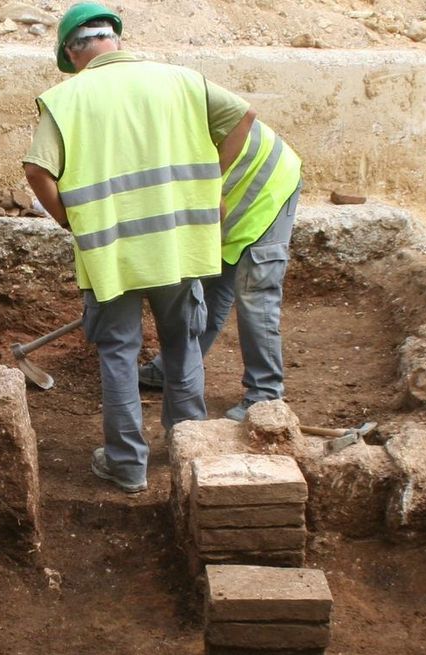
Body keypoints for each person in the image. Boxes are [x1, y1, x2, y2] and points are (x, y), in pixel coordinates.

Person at [21, 2, 261, 492]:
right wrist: (211, 179)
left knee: (119, 353)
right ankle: (188, 454)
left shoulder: (68, 98)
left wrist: (70, 219)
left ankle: (128, 467)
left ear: (72, 50)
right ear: (115, 38)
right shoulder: (181, 80)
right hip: (177, 243)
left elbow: (36, 171)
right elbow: (243, 116)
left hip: (111, 251)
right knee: (182, 347)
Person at [138, 97, 303, 422]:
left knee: (255, 292)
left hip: (267, 185)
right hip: (230, 198)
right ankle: (173, 367)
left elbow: (213, 207)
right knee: (208, 285)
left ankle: (265, 396)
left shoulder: (163, 144)